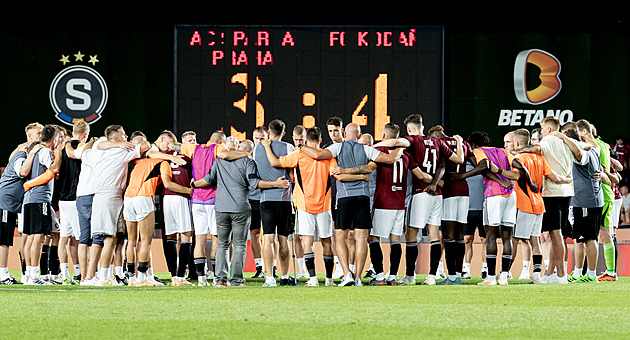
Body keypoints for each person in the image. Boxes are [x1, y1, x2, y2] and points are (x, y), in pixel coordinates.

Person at [302, 122, 402, 286]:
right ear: (359, 135)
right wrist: (403, 146)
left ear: (345, 133)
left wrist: (301, 147)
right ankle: (357, 278)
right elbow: (391, 159)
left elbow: (318, 155)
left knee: (340, 237)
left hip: (344, 199)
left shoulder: (338, 148)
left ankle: (347, 274)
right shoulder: (366, 149)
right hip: (363, 198)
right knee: (361, 239)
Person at [261, 126, 364, 287]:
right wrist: (363, 175)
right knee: (326, 242)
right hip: (324, 205)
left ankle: (313, 279)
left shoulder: (299, 154)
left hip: (304, 205)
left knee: (307, 242)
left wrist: (266, 146)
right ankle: (329, 279)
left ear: (306, 140)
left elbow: (275, 162)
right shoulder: (328, 157)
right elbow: (338, 175)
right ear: (321, 140)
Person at [374, 114, 463, 285]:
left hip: (421, 192)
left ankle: (410, 276)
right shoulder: (437, 142)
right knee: (434, 235)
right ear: (423, 126)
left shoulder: (411, 141)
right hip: (437, 195)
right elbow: (458, 159)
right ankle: (431, 277)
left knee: (411, 235)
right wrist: (458, 142)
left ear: (409, 128)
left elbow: (394, 143)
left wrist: (373, 146)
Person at [191, 141, 290, 287]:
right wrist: (275, 184)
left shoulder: (219, 161)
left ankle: (219, 279)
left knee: (223, 244)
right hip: (240, 208)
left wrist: (193, 184)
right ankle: (236, 280)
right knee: (239, 245)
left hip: (221, 208)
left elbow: (208, 179)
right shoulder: (248, 162)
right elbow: (254, 183)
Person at [454, 130, 535, 285]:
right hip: (511, 195)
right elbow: (522, 168)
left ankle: (491, 277)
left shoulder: (478, 151)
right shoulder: (503, 151)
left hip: (494, 195)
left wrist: (462, 176)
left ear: (473, 144)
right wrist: (531, 183)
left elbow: (484, 166)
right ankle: (504, 276)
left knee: (491, 236)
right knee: (507, 236)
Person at [169, 130, 248, 286]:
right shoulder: (218, 149)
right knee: (217, 239)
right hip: (212, 199)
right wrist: (244, 154)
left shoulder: (195, 148)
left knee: (199, 239)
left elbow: (175, 146)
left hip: (197, 200)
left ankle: (201, 278)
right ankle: (215, 276)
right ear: (220, 141)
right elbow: (226, 155)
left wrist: (170, 147)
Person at [514, 116, 588, 284]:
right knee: (557, 235)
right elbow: (583, 149)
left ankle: (561, 275)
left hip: (552, 193)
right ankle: (550, 273)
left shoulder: (547, 141)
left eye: (541, 127)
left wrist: (517, 151)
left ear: (547, 129)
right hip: (567, 192)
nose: (540, 130)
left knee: (555, 234)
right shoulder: (567, 142)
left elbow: (536, 148)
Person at [511, 128, 571, 284]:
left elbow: (516, 175)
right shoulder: (540, 159)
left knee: (514, 240)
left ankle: (505, 273)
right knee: (535, 240)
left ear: (517, 143)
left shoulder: (519, 158)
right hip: (539, 204)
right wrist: (567, 180)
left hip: (523, 203)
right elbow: (555, 178)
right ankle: (536, 275)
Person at [124, 151, 192, 287]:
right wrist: (189, 191)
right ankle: (142, 278)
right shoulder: (164, 163)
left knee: (131, 240)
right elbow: (167, 184)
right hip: (143, 197)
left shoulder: (141, 163)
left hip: (128, 198)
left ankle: (131, 278)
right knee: (145, 241)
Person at [429, 125, 475, 285]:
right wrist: (463, 175)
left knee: (449, 235)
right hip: (464, 190)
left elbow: (441, 166)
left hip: (448, 190)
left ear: (434, 136)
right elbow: (475, 163)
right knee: (460, 235)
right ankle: (458, 276)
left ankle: (453, 277)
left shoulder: (439, 144)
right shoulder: (463, 143)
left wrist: (435, 183)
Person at [558, 123, 603, 283]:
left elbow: (578, 151)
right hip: (587, 199)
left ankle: (590, 275)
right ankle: (578, 273)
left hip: (585, 200)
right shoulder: (593, 149)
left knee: (588, 239)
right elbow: (593, 146)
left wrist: (562, 136)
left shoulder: (582, 153)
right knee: (580, 238)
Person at [253, 119, 296, 287]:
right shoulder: (289, 148)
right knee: (283, 239)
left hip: (265, 199)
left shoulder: (258, 149)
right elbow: (292, 176)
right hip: (284, 200)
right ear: (284, 133)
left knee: (268, 238)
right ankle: (284, 276)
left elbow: (256, 173)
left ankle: (270, 277)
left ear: (269, 132)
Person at [577, 120, 617, 281]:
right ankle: (609, 271)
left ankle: (611, 272)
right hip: (602, 194)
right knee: (602, 234)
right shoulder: (604, 145)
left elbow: (602, 171)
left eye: (579, 134)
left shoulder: (595, 146)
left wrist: (603, 176)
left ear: (585, 132)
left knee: (605, 234)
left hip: (603, 194)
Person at [22, 125, 62, 285]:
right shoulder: (45, 151)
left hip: (32, 198)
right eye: (58, 137)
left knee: (33, 237)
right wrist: (58, 152)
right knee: (38, 238)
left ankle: (30, 275)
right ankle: (33, 275)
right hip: (40, 199)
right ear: (54, 139)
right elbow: (54, 168)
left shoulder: (36, 151)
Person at [0, 142, 44, 284]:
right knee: (4, 240)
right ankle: (3, 275)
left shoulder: (19, 155)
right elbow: (23, 172)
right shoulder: (21, 156)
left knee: (5, 239)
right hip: (6, 202)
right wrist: (32, 152)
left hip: (11, 203)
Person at [56, 121, 90, 285]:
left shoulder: (62, 148)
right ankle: (84, 274)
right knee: (82, 238)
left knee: (64, 237)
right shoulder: (83, 148)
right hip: (75, 197)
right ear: (85, 134)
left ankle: (66, 274)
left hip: (62, 198)